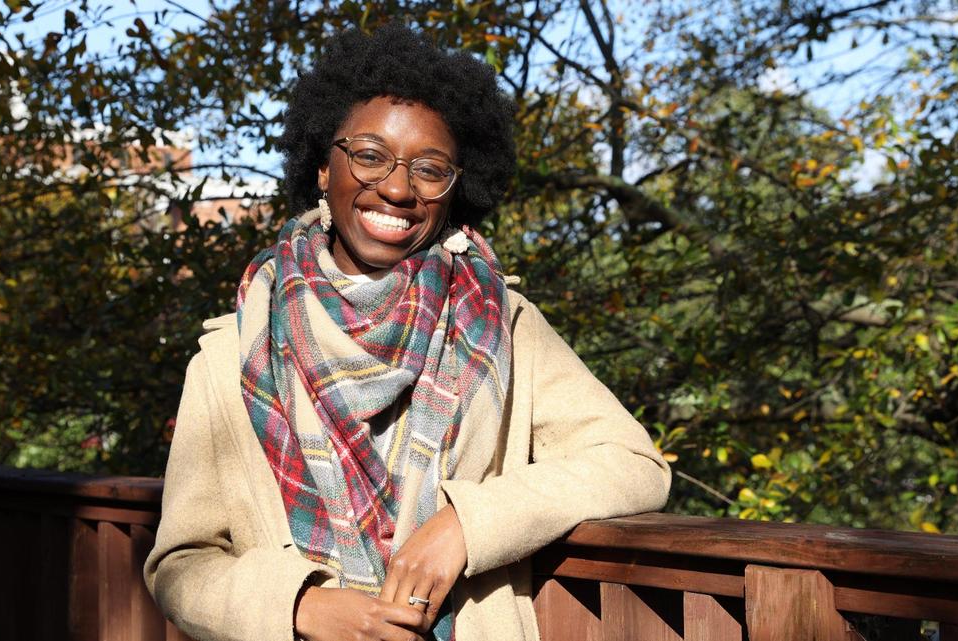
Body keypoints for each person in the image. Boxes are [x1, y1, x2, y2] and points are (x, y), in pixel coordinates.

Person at [144, 24, 670, 641]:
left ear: (455, 189)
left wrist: (465, 526)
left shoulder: (500, 322)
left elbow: (633, 464)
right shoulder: (231, 355)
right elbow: (181, 566)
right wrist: (303, 608)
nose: (397, 188)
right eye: (369, 155)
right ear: (321, 167)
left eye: (429, 168)